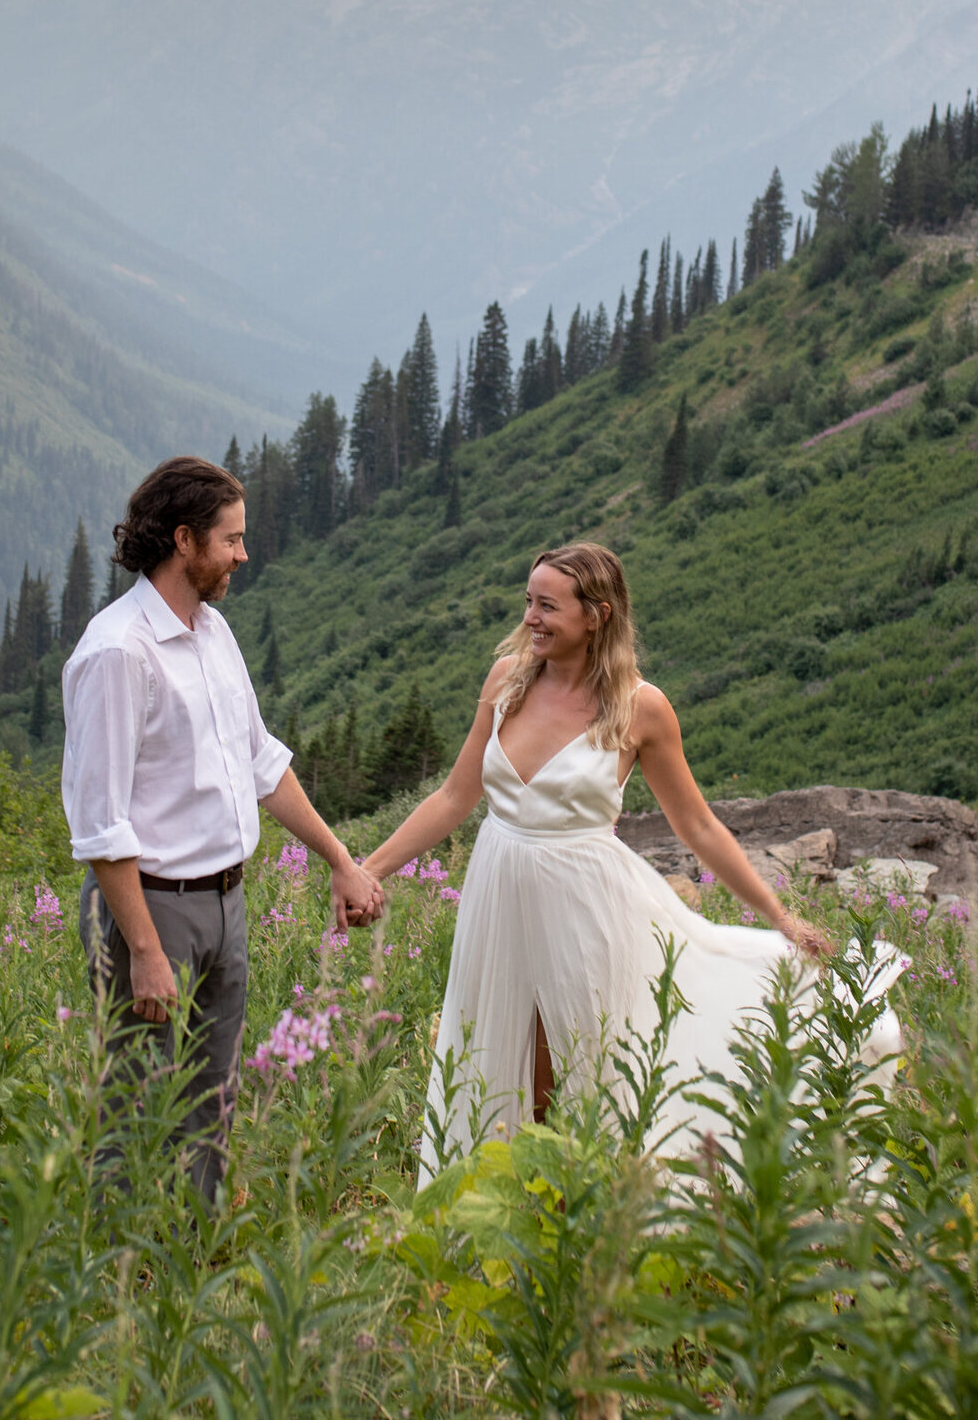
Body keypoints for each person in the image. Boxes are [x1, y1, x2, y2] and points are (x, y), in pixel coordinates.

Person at [361, 541, 903, 1182]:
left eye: (547, 606)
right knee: (501, 1067)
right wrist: (367, 869)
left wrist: (778, 915)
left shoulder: (640, 707)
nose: (531, 618)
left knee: (588, 1079)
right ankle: (509, 1227)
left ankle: (595, 1227)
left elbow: (698, 826)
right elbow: (455, 796)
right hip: (498, 896)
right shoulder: (506, 681)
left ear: (597, 615)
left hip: (586, 907)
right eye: (528, 602)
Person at [62, 455, 383, 1201]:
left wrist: (340, 859)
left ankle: (195, 1246)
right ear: (184, 540)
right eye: (231, 539)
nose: (244, 554)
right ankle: (122, 1270)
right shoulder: (118, 652)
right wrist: (142, 950)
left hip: (225, 901)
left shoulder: (212, 634)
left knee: (213, 1098)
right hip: (152, 909)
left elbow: (261, 764)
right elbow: (99, 824)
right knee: (135, 1100)